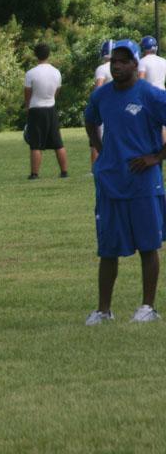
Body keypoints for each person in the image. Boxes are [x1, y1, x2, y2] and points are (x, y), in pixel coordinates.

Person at [84, 39, 166, 325]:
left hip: (143, 183)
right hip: (111, 182)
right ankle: (103, 310)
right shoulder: (101, 96)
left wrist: (156, 157)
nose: (116, 66)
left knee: (148, 246)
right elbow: (90, 120)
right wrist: (102, 150)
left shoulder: (151, 95)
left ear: (135, 64)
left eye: (123, 61)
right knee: (108, 249)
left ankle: (147, 307)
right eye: (114, 61)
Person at [23, 43, 68, 179]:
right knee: (58, 143)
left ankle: (34, 174)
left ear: (35, 55)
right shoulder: (56, 72)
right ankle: (64, 172)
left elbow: (27, 93)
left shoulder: (31, 73)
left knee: (35, 144)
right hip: (51, 108)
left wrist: (27, 107)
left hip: (36, 109)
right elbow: (57, 91)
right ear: (49, 54)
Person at [138, 35, 166, 145]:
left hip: (149, 96)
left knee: (148, 126)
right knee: (163, 126)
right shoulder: (163, 61)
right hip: (162, 94)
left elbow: (141, 80)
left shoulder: (142, 62)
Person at [90, 40, 114, 165]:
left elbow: (98, 87)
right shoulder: (121, 67)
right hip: (118, 106)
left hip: (104, 107)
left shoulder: (102, 68)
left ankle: (96, 166)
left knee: (97, 138)